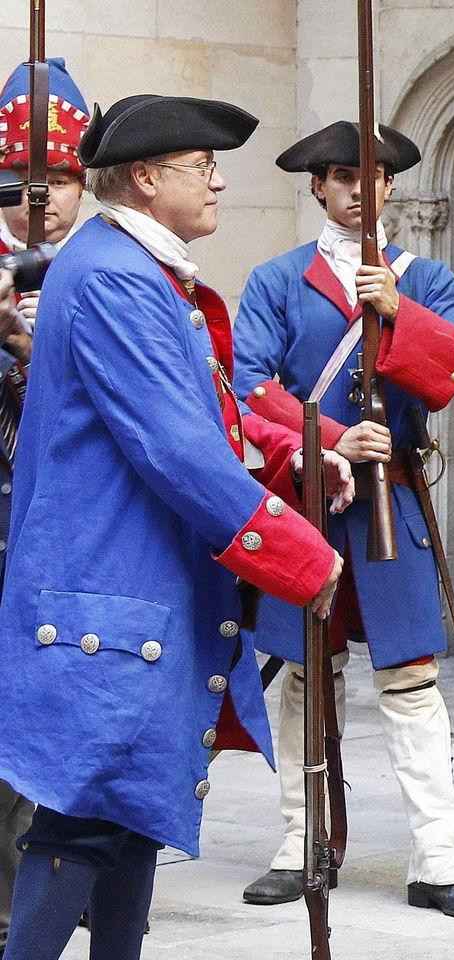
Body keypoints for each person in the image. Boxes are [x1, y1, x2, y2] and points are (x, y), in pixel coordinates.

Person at [0, 93, 345, 960]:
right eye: (203, 167)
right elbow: (175, 446)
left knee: (130, 818)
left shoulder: (131, 267)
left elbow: (204, 419)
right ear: (148, 179)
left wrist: (286, 456)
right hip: (112, 592)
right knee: (83, 822)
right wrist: (300, 556)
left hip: (136, 589)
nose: (221, 181)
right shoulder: (117, 273)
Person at [231, 121, 454, 920]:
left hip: (395, 499)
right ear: (318, 187)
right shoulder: (278, 279)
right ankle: (299, 840)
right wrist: (329, 437)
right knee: (308, 678)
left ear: (389, 189)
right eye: (343, 177)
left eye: (374, 177)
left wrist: (400, 314)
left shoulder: (424, 278)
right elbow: (247, 385)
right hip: (311, 500)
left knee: (412, 680)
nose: (359, 189)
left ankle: (439, 855)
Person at [0, 56, 91, 954]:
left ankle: (75, 886)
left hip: (77, 529)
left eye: (61, 179)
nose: (42, 199)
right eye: (25, 181)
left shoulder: (111, 269)